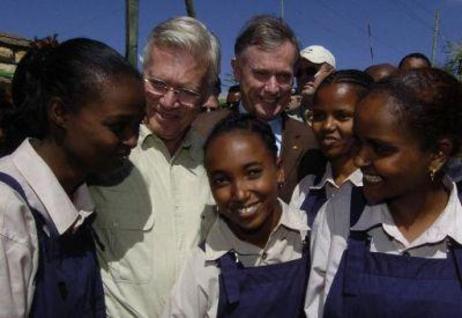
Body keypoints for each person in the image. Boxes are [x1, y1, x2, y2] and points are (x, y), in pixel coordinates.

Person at [0, 37, 145, 318]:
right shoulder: (7, 212)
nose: (133, 140)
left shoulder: (79, 203)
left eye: (137, 125)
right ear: (60, 113)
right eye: (119, 127)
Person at [89, 16, 220, 317]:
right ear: (141, 76)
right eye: (158, 84)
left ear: (205, 94)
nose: (169, 102)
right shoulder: (104, 154)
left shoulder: (215, 164)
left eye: (187, 91)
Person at [306, 68, 462, 317]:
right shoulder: (339, 215)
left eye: (380, 148)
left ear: (438, 154)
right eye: (359, 142)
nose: (359, 159)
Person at [163, 114, 310, 317]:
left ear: (279, 170)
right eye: (222, 180)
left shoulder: (311, 237)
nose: (240, 194)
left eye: (252, 173)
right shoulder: (204, 267)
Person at [194, 15, 319, 203]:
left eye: (284, 76)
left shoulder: (311, 141)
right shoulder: (200, 131)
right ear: (236, 70)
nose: (272, 88)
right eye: (261, 74)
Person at [290, 70, 372, 227]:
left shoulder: (382, 191)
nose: (327, 126)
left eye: (342, 116)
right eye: (319, 116)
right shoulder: (306, 189)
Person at [294, 45, 336, 122]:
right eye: (298, 73)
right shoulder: (285, 120)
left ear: (331, 73)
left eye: (311, 71)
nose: (303, 77)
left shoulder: (345, 117)